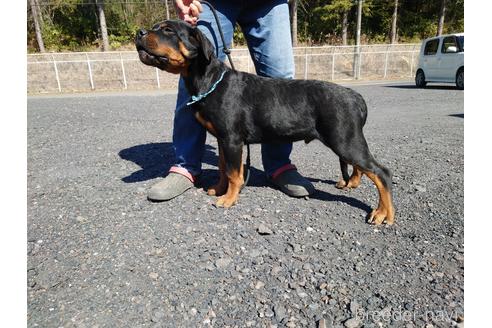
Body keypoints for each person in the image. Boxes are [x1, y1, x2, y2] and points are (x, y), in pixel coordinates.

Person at [148, 0, 315, 201]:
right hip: (211, 2)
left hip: (271, 3)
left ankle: (279, 165)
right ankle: (186, 167)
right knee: (193, 74)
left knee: (280, 77)